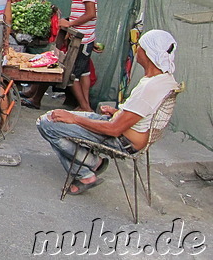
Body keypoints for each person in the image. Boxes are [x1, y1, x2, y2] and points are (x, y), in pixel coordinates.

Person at [37, 30, 180, 195]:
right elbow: (142, 113)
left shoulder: (149, 88)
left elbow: (113, 130)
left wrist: (74, 118)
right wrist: (119, 112)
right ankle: (92, 164)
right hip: (124, 130)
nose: (137, 49)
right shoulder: (165, 80)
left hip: (121, 140)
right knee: (54, 116)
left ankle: (88, 169)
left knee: (46, 124)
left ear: (148, 53)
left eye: (140, 46)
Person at [60, 0, 97, 113]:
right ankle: (85, 105)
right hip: (81, 36)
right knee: (84, 72)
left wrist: (70, 24)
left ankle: (85, 107)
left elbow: (90, 13)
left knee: (71, 74)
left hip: (82, 39)